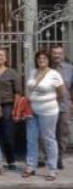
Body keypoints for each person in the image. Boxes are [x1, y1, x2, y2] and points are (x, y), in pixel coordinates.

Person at [23, 51, 65, 181]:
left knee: (49, 139)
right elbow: (28, 89)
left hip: (48, 111)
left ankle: (52, 169)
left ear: (48, 60)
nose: (41, 60)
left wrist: (50, 102)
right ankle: (31, 167)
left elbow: (61, 93)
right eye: (39, 58)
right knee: (31, 139)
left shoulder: (54, 74)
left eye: (44, 58)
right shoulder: (32, 72)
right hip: (31, 110)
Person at [0, 48, 21, 170]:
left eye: (2, 55)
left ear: (6, 58)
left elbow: (18, 92)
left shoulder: (12, 73)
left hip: (8, 105)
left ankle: (11, 160)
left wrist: (15, 109)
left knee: (8, 134)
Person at [50, 45, 73, 170]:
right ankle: (47, 157)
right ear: (51, 54)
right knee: (48, 133)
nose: (57, 55)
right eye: (54, 53)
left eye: (59, 53)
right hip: (48, 105)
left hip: (65, 105)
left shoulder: (70, 68)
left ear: (63, 54)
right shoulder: (46, 68)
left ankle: (59, 157)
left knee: (63, 133)